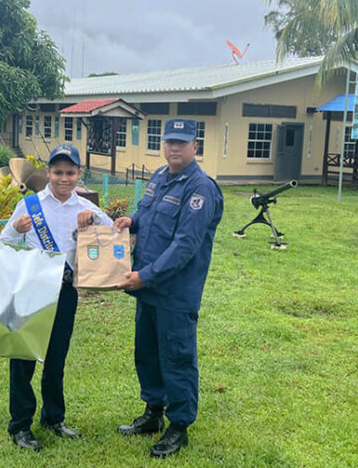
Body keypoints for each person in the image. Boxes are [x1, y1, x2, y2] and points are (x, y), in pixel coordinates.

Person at [112, 118, 223, 459]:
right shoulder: (160, 177)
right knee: (147, 352)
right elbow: (149, 215)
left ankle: (179, 426)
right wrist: (131, 220)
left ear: (195, 147)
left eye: (182, 142)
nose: (174, 148)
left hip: (175, 292)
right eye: (169, 142)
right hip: (148, 289)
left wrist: (144, 276)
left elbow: (185, 246)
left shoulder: (200, 189)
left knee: (176, 357)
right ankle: (153, 413)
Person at [0, 144, 113, 452]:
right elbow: (4, 242)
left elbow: (114, 235)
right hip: (32, 288)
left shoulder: (85, 209)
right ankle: (20, 425)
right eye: (58, 172)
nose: (64, 178)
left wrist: (93, 226)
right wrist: (15, 228)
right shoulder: (30, 204)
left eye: (70, 172)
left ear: (79, 174)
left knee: (56, 358)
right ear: (48, 173)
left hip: (64, 291)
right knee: (23, 358)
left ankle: (53, 417)